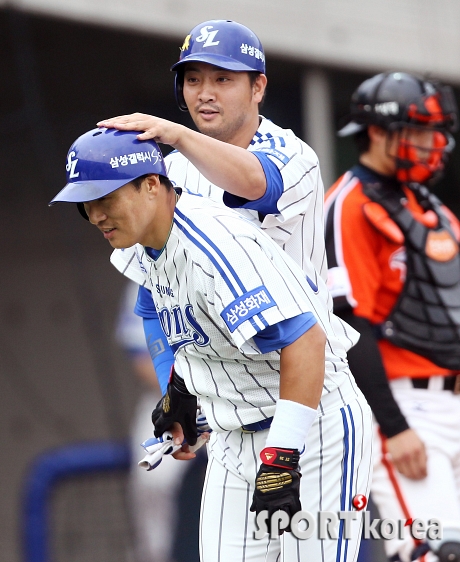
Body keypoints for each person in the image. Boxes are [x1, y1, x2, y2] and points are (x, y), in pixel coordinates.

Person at [50, 127, 372, 562]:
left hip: (314, 430)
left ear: (150, 185)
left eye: (105, 199)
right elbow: (151, 309)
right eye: (85, 206)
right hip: (232, 437)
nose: (96, 215)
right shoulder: (145, 242)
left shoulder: (211, 245)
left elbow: (308, 341)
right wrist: (176, 389)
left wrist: (282, 455)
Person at [96, 19, 332, 394]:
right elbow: (154, 296)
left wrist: (177, 133)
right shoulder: (170, 171)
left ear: (258, 87)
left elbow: (256, 182)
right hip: (225, 395)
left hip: (306, 382)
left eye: (223, 79)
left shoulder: (292, 153)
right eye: (193, 80)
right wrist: (175, 390)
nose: (205, 93)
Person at [324, 71, 460, 562]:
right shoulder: (349, 203)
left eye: (436, 131)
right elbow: (349, 325)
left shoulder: (429, 206)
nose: (434, 143)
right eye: (419, 131)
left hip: (452, 397)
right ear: (379, 132)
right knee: (434, 552)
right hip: (405, 412)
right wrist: (394, 425)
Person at [116, 280, 204, 562]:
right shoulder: (146, 269)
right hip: (168, 398)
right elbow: (141, 356)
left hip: (235, 400)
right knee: (153, 478)